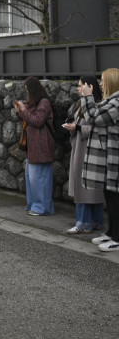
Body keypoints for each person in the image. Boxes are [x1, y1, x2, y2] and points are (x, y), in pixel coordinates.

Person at [80, 67, 119, 252]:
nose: (101, 84)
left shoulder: (117, 103)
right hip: (109, 159)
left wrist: (87, 97)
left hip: (114, 159)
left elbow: (93, 118)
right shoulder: (111, 101)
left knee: (115, 198)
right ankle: (111, 232)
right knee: (110, 197)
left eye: (103, 80)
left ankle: (117, 238)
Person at [62, 76, 105, 234]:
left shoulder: (97, 105)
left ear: (89, 87)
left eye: (81, 86)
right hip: (82, 148)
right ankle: (93, 221)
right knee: (87, 188)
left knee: (85, 188)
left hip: (87, 150)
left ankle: (85, 222)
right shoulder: (83, 104)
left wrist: (78, 128)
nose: (78, 89)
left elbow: (97, 128)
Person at [15, 76, 55, 216]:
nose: (27, 92)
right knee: (31, 177)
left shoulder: (44, 103)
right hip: (34, 146)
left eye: (27, 89)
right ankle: (33, 205)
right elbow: (30, 119)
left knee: (39, 177)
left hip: (41, 145)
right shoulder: (36, 103)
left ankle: (41, 207)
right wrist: (21, 111)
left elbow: (37, 121)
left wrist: (24, 110)